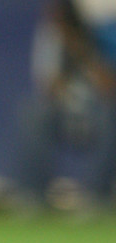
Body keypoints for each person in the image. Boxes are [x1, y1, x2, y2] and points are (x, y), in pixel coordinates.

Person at [16, 0, 116, 211]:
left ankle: (97, 198)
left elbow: (107, 84)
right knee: (35, 114)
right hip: (69, 107)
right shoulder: (54, 40)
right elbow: (48, 84)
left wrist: (94, 65)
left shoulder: (104, 34)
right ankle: (32, 197)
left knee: (110, 115)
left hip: (103, 107)